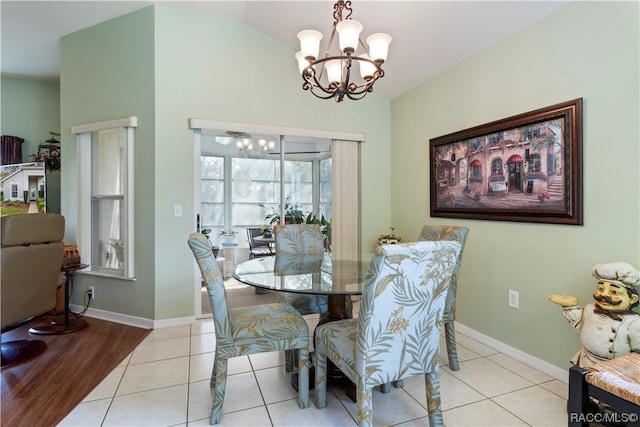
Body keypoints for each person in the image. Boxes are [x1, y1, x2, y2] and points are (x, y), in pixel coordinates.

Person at [548, 261, 640, 367]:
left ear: (632, 299)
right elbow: (579, 329)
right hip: (585, 360)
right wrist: (571, 307)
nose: (604, 294)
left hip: (614, 368)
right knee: (579, 382)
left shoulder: (634, 323)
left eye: (614, 292)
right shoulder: (590, 308)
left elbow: (636, 355)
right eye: (600, 289)